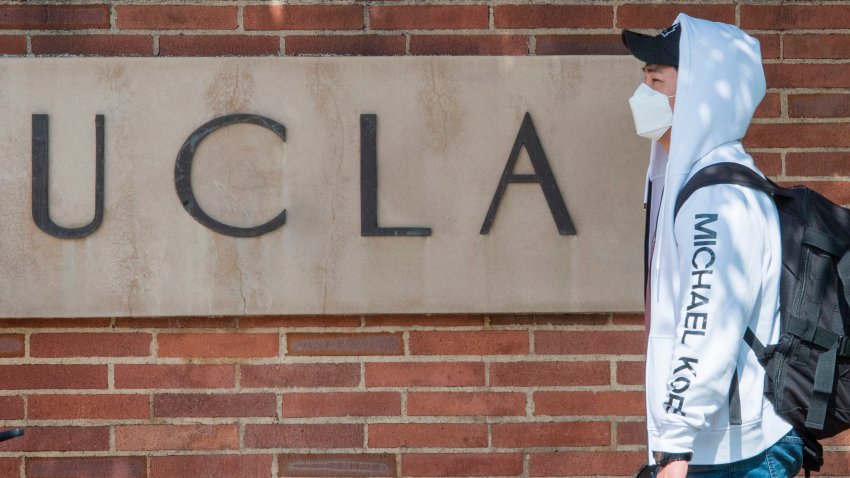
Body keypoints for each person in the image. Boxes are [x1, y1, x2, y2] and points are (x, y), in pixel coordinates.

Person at [622, 14, 804, 478]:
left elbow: (706, 322)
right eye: (643, 76)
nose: (643, 92)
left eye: (656, 79)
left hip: (732, 456)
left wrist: (674, 448)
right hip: (720, 447)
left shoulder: (716, 199)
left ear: (701, 92)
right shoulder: (708, 181)